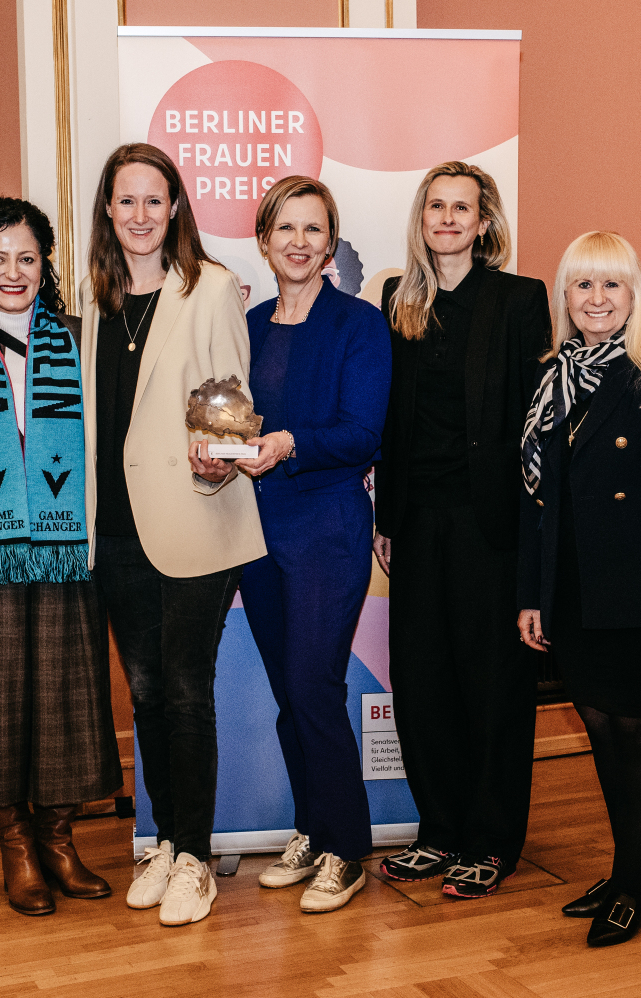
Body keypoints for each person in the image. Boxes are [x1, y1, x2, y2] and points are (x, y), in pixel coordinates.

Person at [80, 143, 265, 927]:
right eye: (126, 202)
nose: (141, 216)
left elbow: (230, 398)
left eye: (155, 201)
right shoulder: (94, 300)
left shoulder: (212, 287)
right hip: (115, 529)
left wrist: (221, 462)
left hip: (193, 515)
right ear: (108, 212)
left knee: (187, 690)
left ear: (177, 208)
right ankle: (160, 839)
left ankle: (195, 854)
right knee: (148, 690)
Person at [516, 231, 641, 946]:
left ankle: (634, 883)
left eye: (611, 286)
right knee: (600, 729)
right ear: (565, 298)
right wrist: (532, 594)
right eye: (582, 286)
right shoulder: (553, 375)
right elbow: (539, 502)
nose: (597, 300)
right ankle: (636, 867)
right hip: (573, 590)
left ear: (635, 295)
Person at [0, 196, 122, 916]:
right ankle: (15, 846)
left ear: (46, 266)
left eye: (27, 257)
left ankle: (60, 839)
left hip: (66, 542)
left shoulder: (82, 338)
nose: (13, 272)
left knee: (66, 690)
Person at [373, 161, 551, 898]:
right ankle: (439, 830)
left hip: (491, 526)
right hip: (416, 523)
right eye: (435, 207)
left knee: (492, 686)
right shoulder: (397, 301)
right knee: (422, 682)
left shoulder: (518, 300)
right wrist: (386, 518)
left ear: (484, 224)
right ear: (421, 219)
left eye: (462, 209)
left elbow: (538, 425)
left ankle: (491, 840)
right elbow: (389, 421)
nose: (447, 219)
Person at [234, 177, 392, 913]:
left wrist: (291, 442)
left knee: (314, 688)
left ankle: (347, 848)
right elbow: (231, 422)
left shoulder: (359, 325)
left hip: (326, 529)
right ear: (264, 241)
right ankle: (310, 826)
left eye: (313, 229)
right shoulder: (250, 323)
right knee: (287, 698)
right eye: (284, 228)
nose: (298, 241)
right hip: (254, 532)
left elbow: (363, 434)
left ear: (330, 243)